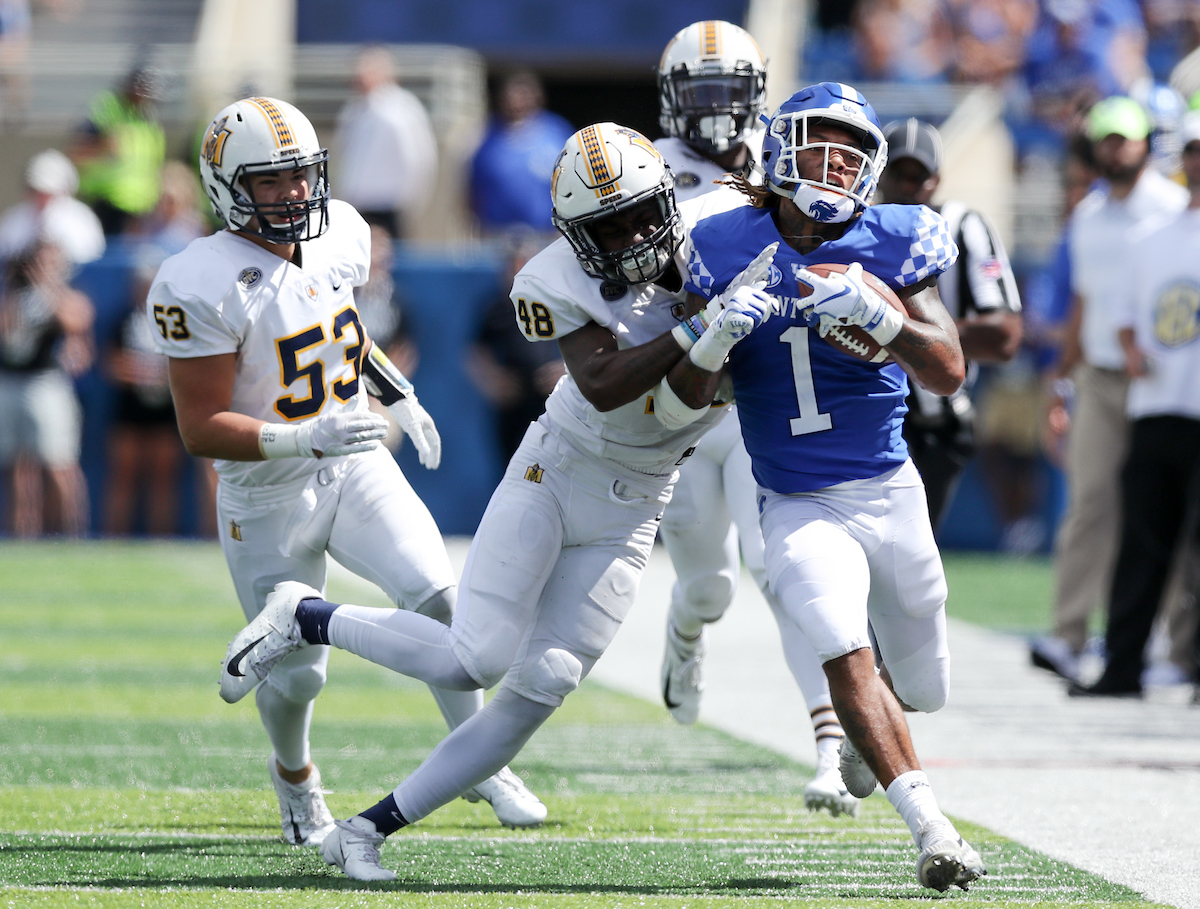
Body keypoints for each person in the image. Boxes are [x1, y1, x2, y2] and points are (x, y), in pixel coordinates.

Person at [218, 122, 776, 881]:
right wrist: (705, 330)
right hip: (560, 470)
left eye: (642, 216)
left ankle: (364, 831)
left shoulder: (722, 236)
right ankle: (304, 614)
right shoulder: (551, 280)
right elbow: (606, 385)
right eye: (607, 229)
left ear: (669, 200)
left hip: (639, 501)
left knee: (543, 683)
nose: (630, 239)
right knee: (473, 658)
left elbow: (782, 225)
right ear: (574, 235)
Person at [147, 96, 546, 846]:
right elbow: (200, 427)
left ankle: (478, 760)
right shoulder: (197, 279)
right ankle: (296, 776)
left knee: (441, 599)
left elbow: (342, 335)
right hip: (267, 492)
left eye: (301, 174)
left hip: (353, 459)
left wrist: (399, 394)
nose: (294, 192)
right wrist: (303, 438)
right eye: (271, 180)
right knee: (300, 674)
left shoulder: (340, 233)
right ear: (227, 187)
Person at [661, 82, 984, 891]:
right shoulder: (719, 242)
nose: (838, 165)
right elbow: (683, 400)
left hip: (888, 488)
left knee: (926, 686)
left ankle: (879, 734)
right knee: (842, 644)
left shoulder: (898, 236)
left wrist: (884, 321)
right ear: (781, 148)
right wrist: (711, 337)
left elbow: (949, 370)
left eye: (853, 152)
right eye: (823, 146)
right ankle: (932, 828)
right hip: (794, 500)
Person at [653, 19, 858, 818]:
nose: (715, 109)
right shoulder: (644, 166)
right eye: (700, 92)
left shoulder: (786, 157)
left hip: (756, 402)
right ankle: (685, 631)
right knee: (708, 586)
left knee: (779, 568)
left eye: (729, 91)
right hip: (680, 406)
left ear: (758, 94)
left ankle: (830, 743)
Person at [1028, 96, 1188, 682]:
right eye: (1106, 140)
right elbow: (1083, 304)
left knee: (1167, 511)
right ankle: (1068, 636)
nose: (1114, 150)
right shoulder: (1089, 216)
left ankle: (1176, 648)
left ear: (1147, 142)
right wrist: (1059, 383)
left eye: (1124, 138)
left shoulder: (1174, 208)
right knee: (1089, 503)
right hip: (1098, 375)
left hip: (1163, 379)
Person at [1069, 110, 1200, 697]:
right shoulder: (1151, 238)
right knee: (1143, 540)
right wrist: (1130, 349)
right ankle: (1124, 665)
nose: (1198, 160)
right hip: (1156, 403)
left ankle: (1184, 660)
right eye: (1192, 149)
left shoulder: (1154, 226)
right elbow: (1120, 317)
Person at [877, 117, 1023, 528]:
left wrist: (896, 332)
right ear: (879, 174)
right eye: (898, 173)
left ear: (936, 179)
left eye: (917, 176)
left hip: (933, 422)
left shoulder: (962, 227)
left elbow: (1005, 337)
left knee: (908, 546)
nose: (907, 186)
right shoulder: (851, 228)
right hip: (864, 414)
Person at [0, 240, 93, 537]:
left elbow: (75, 321)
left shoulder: (65, 294)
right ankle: (22, 537)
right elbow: (6, 332)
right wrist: (11, 284)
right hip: (9, 381)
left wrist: (47, 284)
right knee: (17, 466)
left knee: (58, 463)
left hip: (46, 383)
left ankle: (70, 536)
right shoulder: (14, 294)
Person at [333, 45, 438, 240]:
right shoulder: (353, 110)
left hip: (389, 205)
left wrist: (410, 201)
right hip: (358, 203)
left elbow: (418, 158)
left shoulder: (401, 107)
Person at [469, 71, 573, 235]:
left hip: (549, 233)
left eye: (523, 94)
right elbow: (472, 189)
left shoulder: (557, 132)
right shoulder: (484, 136)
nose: (517, 100)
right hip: (497, 235)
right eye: (512, 95)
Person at [70, 65, 166, 236]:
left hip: (140, 210)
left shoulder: (149, 116)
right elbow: (77, 153)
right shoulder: (106, 109)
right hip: (106, 205)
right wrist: (102, 147)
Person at [0, 149, 105, 267]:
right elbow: (6, 255)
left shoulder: (82, 218)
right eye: (36, 191)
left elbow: (90, 258)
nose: (42, 198)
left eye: (48, 193)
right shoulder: (13, 218)